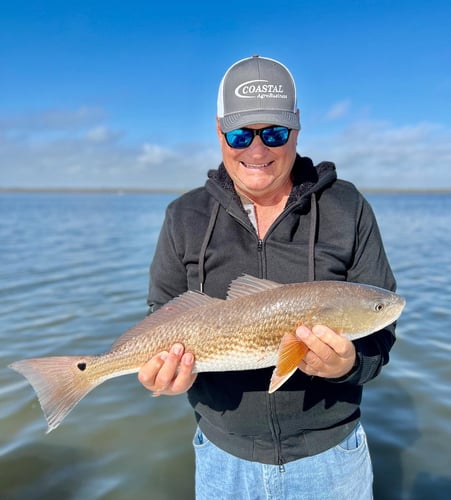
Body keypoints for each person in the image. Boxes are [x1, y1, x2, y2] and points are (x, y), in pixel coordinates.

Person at [138, 55, 397, 499]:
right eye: (241, 134)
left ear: (297, 128)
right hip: (222, 458)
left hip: (332, 458)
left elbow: (382, 331)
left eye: (274, 133)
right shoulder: (183, 216)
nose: (257, 151)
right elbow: (161, 314)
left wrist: (348, 364)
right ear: (219, 131)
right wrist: (158, 375)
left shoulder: (347, 208)